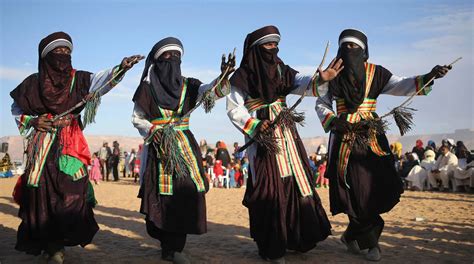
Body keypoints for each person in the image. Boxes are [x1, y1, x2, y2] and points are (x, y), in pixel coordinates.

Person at [315, 28, 451, 261]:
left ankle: (351, 235)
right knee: (355, 190)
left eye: (354, 47)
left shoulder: (376, 73)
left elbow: (403, 85)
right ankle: (371, 245)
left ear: (364, 51)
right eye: (344, 47)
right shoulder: (332, 74)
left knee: (377, 187)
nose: (349, 51)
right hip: (344, 138)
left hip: (372, 139)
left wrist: (430, 75)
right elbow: (321, 103)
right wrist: (336, 121)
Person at [10, 32, 141, 263]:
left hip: (71, 143)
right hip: (42, 145)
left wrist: (121, 68)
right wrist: (33, 121)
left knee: (72, 193)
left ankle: (60, 243)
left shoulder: (79, 80)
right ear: (45, 56)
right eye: (57, 52)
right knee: (42, 195)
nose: (63, 56)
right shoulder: (31, 83)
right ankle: (53, 247)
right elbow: (16, 109)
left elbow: (102, 81)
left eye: (67, 52)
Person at [227, 25, 341, 262]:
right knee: (269, 187)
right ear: (257, 49)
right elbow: (234, 109)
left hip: (287, 133)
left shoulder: (282, 69)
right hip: (262, 138)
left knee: (297, 181)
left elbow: (302, 82)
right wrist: (255, 125)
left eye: (276, 44)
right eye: (269, 45)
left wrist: (321, 78)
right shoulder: (242, 76)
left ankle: (297, 238)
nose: (274, 49)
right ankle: (272, 246)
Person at [131, 37, 234, 263]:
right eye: (167, 56)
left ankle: (175, 247)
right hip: (159, 149)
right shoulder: (147, 89)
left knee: (186, 193)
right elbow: (138, 119)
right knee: (162, 196)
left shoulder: (189, 86)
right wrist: (154, 133)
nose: (172, 60)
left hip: (186, 148)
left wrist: (223, 77)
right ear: (156, 61)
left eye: (177, 56)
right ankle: (167, 245)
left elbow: (211, 93)